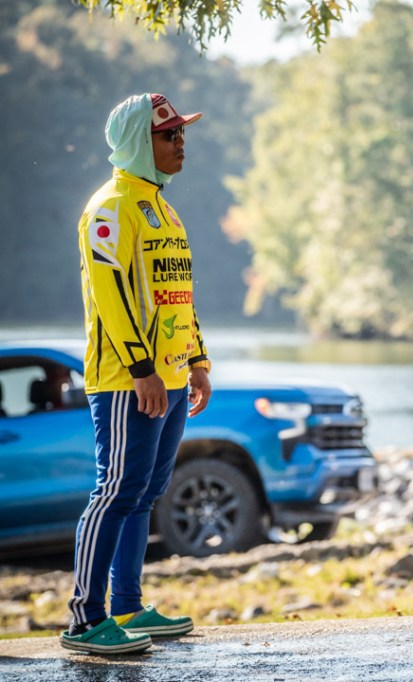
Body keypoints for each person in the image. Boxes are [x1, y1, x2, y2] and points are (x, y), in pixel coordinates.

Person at [62, 93, 213, 655]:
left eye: (182, 133)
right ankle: (85, 619)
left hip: (170, 377)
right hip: (128, 379)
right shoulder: (110, 207)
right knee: (116, 489)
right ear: (136, 142)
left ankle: (127, 606)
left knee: (145, 491)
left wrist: (197, 361)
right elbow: (110, 297)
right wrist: (141, 367)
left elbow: (178, 294)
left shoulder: (163, 208)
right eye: (169, 135)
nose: (181, 143)